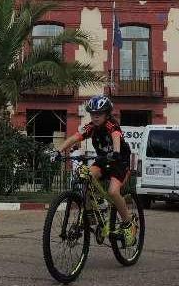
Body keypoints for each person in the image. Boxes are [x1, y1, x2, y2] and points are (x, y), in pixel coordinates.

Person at [53, 94, 137, 247]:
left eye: (99, 114)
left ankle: (128, 224)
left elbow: (116, 136)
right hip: (103, 161)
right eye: (93, 114)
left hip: (119, 161)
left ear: (106, 114)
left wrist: (116, 152)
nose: (95, 117)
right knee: (85, 175)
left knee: (113, 191)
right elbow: (75, 137)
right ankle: (95, 208)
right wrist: (58, 151)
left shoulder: (111, 124)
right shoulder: (91, 127)